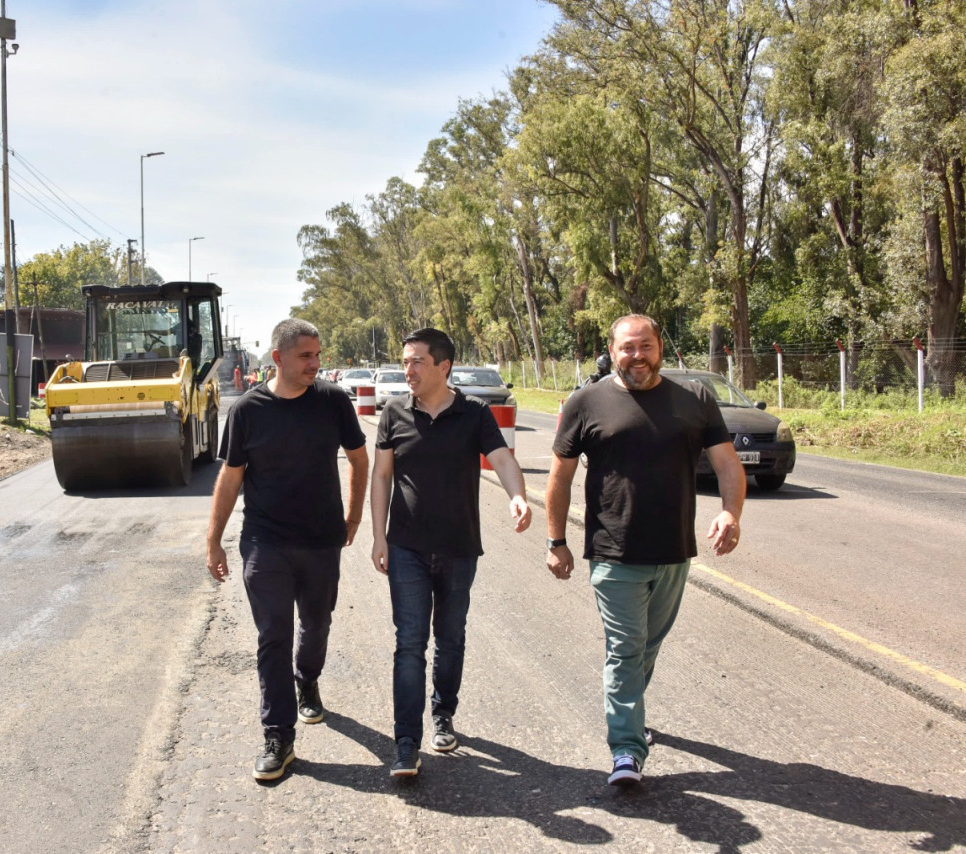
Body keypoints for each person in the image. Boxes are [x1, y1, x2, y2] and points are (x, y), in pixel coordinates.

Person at [544, 314, 746, 787]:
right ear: (611, 351)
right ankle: (627, 750)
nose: (638, 356)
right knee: (625, 649)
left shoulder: (694, 398)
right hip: (613, 552)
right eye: (627, 347)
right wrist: (557, 541)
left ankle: (630, 718)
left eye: (646, 346)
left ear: (661, 347)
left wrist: (731, 513)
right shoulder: (585, 402)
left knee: (647, 646)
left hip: (674, 550)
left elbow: (727, 464)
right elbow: (560, 478)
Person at [206, 318, 369, 781]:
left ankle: (308, 680)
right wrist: (214, 539)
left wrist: (353, 518)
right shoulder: (248, 410)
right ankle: (278, 735)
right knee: (272, 635)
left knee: (316, 625)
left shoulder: (334, 402)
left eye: (318, 355)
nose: (316, 364)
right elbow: (231, 477)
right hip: (265, 541)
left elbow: (359, 458)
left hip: (321, 540)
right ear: (277, 358)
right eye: (306, 356)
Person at [370, 327, 532, 777]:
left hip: (460, 548)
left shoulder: (475, 414)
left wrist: (517, 495)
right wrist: (378, 535)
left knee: (451, 637)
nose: (408, 370)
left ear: (443, 367)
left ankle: (443, 715)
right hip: (407, 547)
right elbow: (382, 476)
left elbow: (501, 459)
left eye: (416, 361)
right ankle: (406, 742)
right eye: (405, 361)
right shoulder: (394, 412)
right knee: (409, 643)